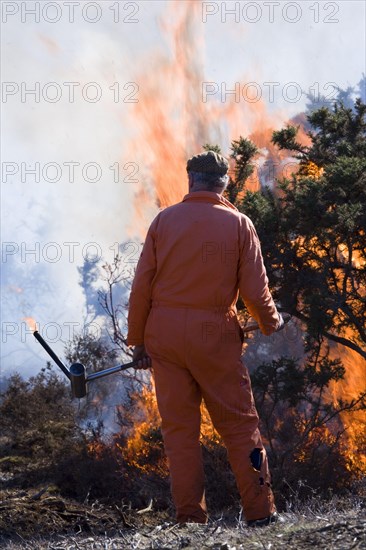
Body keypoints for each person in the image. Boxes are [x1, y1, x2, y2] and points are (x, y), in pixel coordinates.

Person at [126, 150, 284, 527]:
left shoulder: (163, 221)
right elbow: (255, 290)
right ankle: (261, 513)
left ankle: (190, 519)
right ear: (224, 183)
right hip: (213, 336)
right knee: (240, 427)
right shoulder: (239, 224)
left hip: (163, 335)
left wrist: (139, 343)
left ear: (190, 180)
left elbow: (141, 288)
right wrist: (269, 322)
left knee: (180, 434)